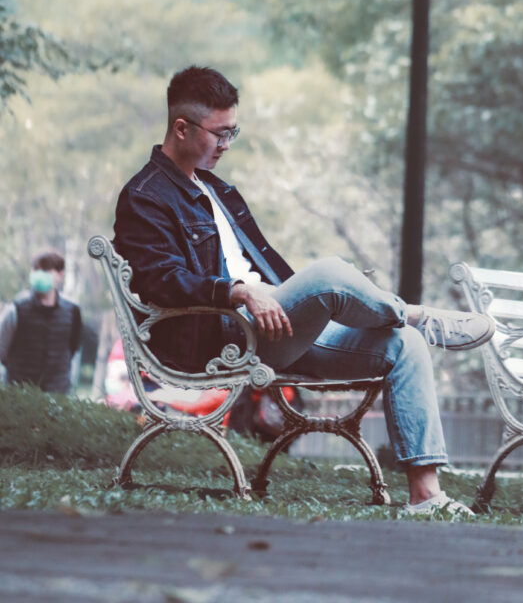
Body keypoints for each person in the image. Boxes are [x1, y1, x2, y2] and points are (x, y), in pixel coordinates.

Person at [114, 65, 495, 517]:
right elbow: (161, 279)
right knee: (331, 273)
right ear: (181, 128)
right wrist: (237, 292)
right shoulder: (145, 196)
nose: (227, 144)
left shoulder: (215, 189)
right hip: (223, 336)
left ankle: (426, 497)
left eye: (233, 132)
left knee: (405, 344)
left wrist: (304, 298)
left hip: (273, 325)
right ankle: (415, 314)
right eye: (220, 133)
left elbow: (263, 267)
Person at [0, 251, 83, 394]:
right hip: (19, 393)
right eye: (36, 270)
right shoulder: (16, 309)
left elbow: (73, 349)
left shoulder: (72, 311)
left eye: (45, 270)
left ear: (60, 274)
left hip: (57, 394)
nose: (39, 274)